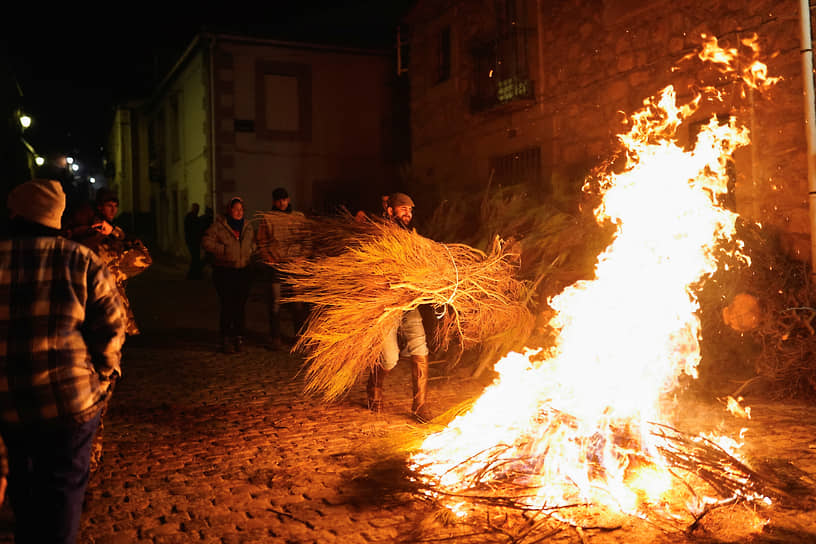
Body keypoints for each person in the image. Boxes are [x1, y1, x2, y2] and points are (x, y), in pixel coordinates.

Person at [0, 179, 126, 544]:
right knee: (65, 492)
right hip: (70, 402)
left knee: (25, 491)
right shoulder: (80, 259)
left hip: (11, 405)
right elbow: (112, 326)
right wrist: (101, 380)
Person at [367, 192, 433, 422]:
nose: (409, 213)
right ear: (391, 210)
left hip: (409, 301)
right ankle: (374, 386)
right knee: (389, 358)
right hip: (386, 303)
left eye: (411, 210)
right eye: (404, 209)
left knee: (420, 348)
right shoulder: (378, 232)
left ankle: (420, 405)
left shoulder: (411, 236)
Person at [255, 187, 309, 350]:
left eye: (284, 199)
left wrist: (303, 256)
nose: (282, 203)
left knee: (297, 304)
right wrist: (268, 257)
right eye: (279, 200)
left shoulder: (299, 218)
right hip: (276, 267)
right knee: (275, 303)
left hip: (294, 266)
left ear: (288, 200)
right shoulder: (268, 218)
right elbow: (261, 242)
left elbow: (307, 239)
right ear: (274, 201)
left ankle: (299, 337)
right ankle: (275, 337)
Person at [201, 196, 255, 353]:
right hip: (224, 271)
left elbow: (253, 243)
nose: (239, 212)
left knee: (240, 305)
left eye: (241, 209)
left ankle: (238, 336)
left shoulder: (248, 226)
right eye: (235, 209)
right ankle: (225, 337)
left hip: (243, 271)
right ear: (229, 210)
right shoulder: (219, 226)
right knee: (227, 305)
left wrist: (251, 250)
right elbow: (206, 242)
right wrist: (223, 251)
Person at [184, 203, 203, 279]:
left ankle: (194, 273)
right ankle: (193, 274)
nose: (197, 210)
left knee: (195, 257)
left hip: (193, 240)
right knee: (195, 257)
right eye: (196, 209)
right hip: (193, 241)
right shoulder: (191, 217)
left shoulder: (190, 217)